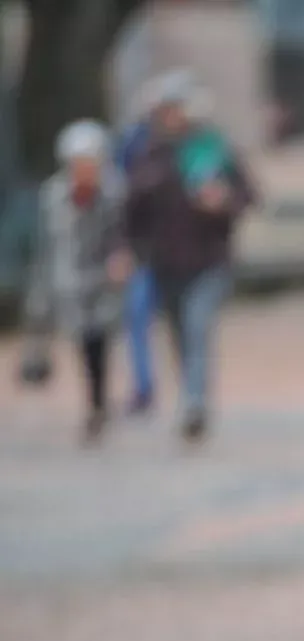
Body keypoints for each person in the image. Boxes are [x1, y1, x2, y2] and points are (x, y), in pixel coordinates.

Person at [125, 72, 256, 442]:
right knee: (180, 333)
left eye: (177, 108)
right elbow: (131, 211)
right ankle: (189, 396)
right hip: (165, 262)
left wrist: (223, 201)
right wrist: (129, 251)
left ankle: (195, 402)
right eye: (165, 109)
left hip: (210, 260)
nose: (171, 116)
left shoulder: (213, 148)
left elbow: (249, 194)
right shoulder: (149, 153)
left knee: (198, 327)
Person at [25, 120, 133, 442]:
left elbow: (123, 235)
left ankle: (98, 405)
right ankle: (93, 402)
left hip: (101, 282)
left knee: (99, 342)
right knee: (82, 342)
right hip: (67, 282)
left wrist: (121, 257)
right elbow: (46, 245)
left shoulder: (113, 193)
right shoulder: (54, 196)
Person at [116, 83, 161, 414]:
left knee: (186, 327)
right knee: (136, 320)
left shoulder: (191, 146)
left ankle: (192, 390)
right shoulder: (133, 143)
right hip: (144, 252)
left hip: (181, 255)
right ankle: (144, 387)